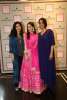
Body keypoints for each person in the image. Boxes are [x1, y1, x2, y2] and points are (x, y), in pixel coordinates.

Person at [19, 22, 44, 94]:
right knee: (26, 70)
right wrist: (26, 52)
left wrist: (31, 53)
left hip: (35, 55)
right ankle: (28, 87)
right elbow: (25, 45)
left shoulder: (37, 35)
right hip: (27, 55)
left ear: (33, 27)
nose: (29, 28)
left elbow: (36, 46)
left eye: (30, 26)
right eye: (28, 27)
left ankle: (35, 88)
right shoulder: (25, 35)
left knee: (34, 70)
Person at [38, 18, 56, 92]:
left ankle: (50, 84)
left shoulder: (49, 32)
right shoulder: (38, 34)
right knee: (43, 68)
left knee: (50, 68)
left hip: (49, 53)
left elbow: (52, 43)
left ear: (45, 23)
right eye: (39, 23)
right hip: (41, 54)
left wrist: (51, 53)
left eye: (42, 22)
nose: (41, 24)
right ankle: (45, 83)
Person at [9, 21, 24, 91]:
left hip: (22, 56)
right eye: (16, 26)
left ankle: (21, 83)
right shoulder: (12, 36)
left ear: (21, 27)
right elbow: (11, 46)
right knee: (16, 70)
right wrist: (11, 55)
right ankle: (16, 84)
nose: (18, 27)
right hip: (15, 55)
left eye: (19, 26)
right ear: (15, 28)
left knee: (21, 70)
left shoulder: (23, 35)